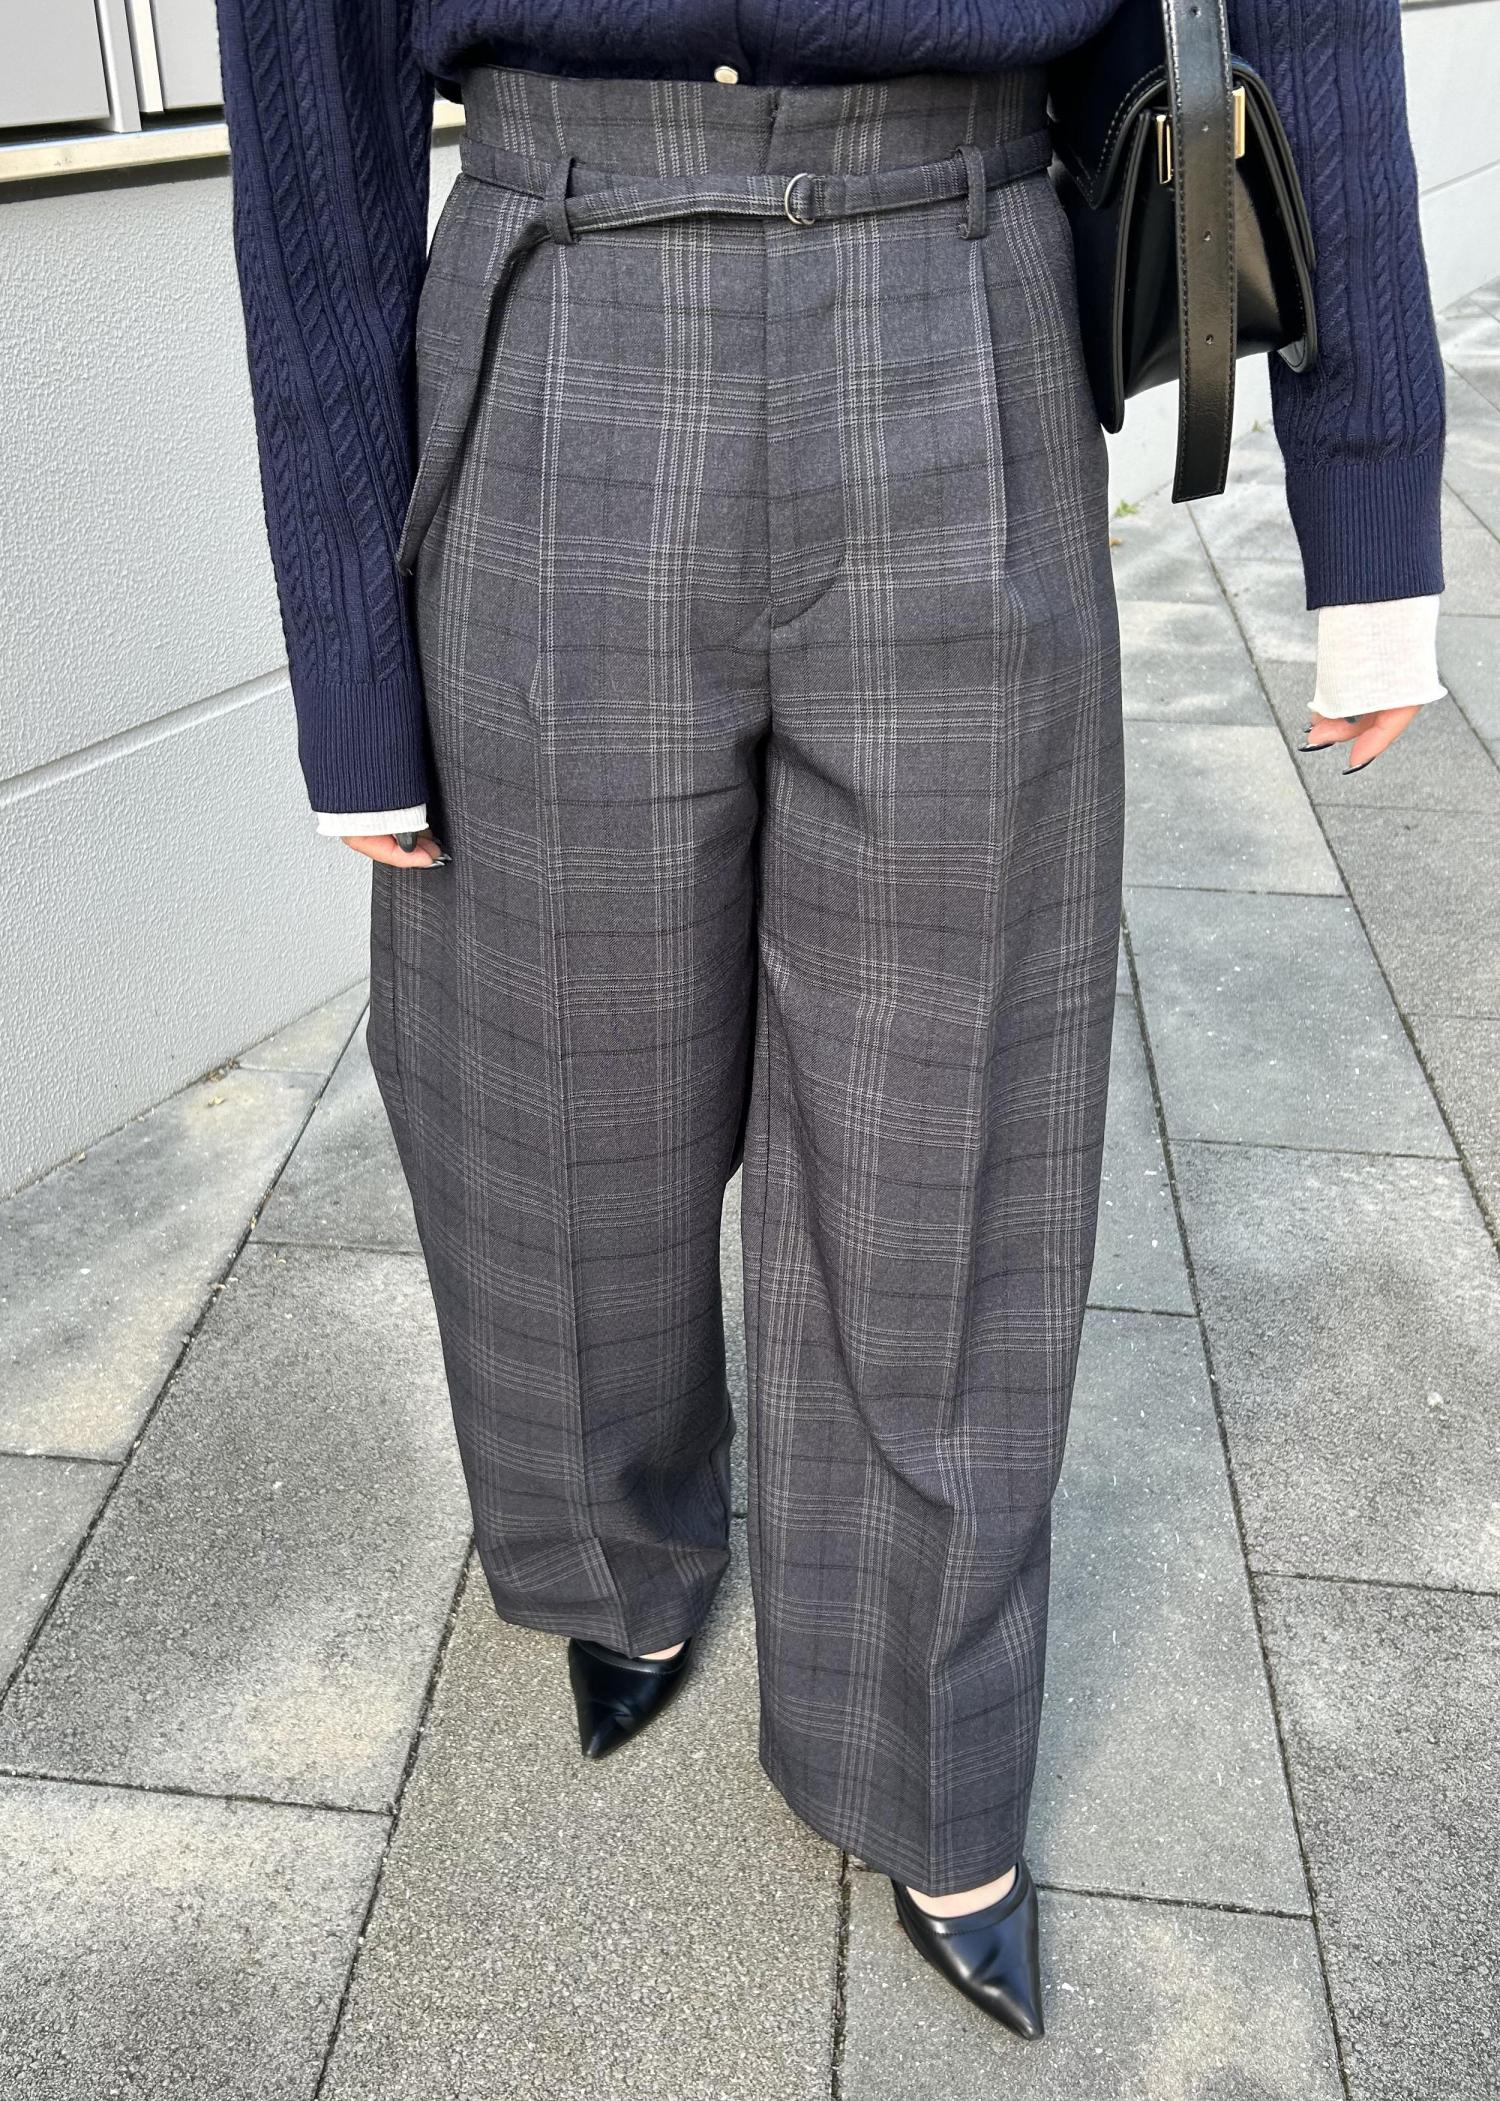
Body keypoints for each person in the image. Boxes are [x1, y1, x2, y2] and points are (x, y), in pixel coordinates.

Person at [212, 0, 1446, 2042]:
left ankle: (929, 1748)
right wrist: (348, 647)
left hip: (959, 292)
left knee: (949, 1116)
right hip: (557, 307)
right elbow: (308, 95)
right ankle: (613, 1552)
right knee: (554, 1082)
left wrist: (1374, 496)